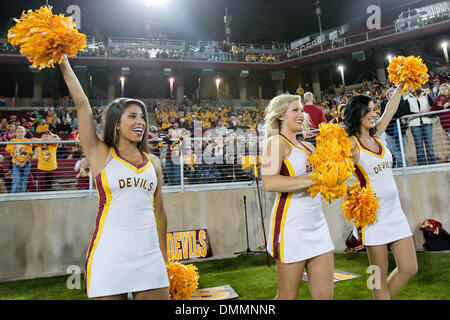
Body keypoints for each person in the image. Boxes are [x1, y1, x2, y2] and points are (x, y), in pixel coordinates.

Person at [59, 57, 169, 300]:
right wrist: (63, 61)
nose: (140, 121)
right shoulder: (101, 155)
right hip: (109, 255)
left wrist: (164, 258)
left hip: (150, 256)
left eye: (142, 116)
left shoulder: (154, 163)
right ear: (117, 124)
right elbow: (81, 103)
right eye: (132, 116)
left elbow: (159, 214)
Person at [344, 83, 418, 300]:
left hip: (395, 212)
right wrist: (350, 194)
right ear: (358, 113)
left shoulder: (377, 135)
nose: (375, 114)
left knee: (409, 267)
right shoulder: (350, 143)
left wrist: (401, 86)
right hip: (372, 217)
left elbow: (391, 109)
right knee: (378, 272)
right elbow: (337, 176)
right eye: (369, 110)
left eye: (375, 109)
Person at [262, 94, 335, 300]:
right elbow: (270, 183)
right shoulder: (274, 142)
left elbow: (322, 181)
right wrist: (313, 179)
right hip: (290, 226)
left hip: (317, 223)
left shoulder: (309, 146)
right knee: (287, 297)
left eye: (302, 110)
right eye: (295, 110)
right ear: (281, 116)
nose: (301, 114)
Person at [403, 86, 436, 165]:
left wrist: (427, 111)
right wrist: (415, 114)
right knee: (419, 145)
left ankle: (432, 164)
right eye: (410, 86)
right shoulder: (406, 98)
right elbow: (406, 111)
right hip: (414, 123)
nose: (412, 87)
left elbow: (434, 106)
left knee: (429, 144)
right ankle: (422, 165)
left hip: (427, 121)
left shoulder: (425, 95)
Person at [379, 88, 411, 168]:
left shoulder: (401, 102)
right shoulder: (383, 103)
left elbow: (404, 112)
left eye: (393, 94)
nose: (392, 96)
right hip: (390, 131)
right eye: (390, 94)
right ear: (387, 96)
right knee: (394, 151)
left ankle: (398, 167)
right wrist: (395, 114)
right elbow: (384, 114)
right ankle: (407, 165)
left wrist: (392, 113)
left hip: (401, 130)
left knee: (402, 151)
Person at [5, 126, 33, 193]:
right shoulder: (12, 141)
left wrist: (24, 162)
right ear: (15, 133)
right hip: (15, 163)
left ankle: (22, 194)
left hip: (26, 163)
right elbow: (11, 152)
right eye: (18, 132)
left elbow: (28, 153)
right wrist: (17, 161)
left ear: (25, 133)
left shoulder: (27, 141)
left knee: (24, 180)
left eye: (22, 132)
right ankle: (13, 194)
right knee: (16, 179)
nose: (20, 133)